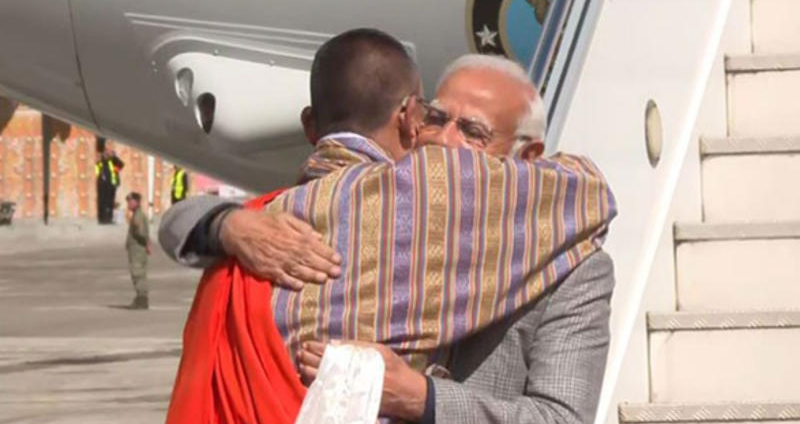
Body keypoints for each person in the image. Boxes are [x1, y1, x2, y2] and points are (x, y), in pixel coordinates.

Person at [162, 29, 616, 422]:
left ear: (529, 160)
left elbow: (561, 417)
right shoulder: (357, 206)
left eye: (473, 132)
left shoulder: (571, 265)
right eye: (435, 118)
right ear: (411, 119)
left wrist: (422, 399)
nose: (444, 139)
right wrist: (231, 226)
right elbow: (185, 219)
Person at [125, 191, 150, 309]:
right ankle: (141, 298)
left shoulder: (138, 216)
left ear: (137, 202)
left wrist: (146, 243)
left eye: (130, 201)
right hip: (136, 250)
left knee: (138, 274)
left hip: (137, 251)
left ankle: (142, 299)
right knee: (138, 274)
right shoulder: (137, 215)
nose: (129, 204)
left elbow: (141, 233)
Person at [96, 147, 124, 224]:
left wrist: (114, 157)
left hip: (111, 186)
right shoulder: (100, 163)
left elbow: (121, 165)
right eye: (105, 153)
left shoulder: (113, 162)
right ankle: (102, 219)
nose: (106, 155)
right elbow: (97, 172)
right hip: (102, 186)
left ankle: (109, 219)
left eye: (107, 154)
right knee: (102, 203)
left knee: (110, 203)